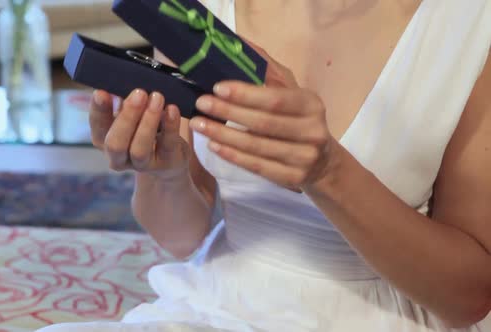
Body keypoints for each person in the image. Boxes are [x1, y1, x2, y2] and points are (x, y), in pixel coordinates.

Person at [38, 0, 491, 331]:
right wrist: (165, 174)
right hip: (215, 302)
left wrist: (329, 172)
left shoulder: (471, 26)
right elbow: (183, 238)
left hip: (380, 317)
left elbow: (469, 296)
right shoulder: (197, 13)